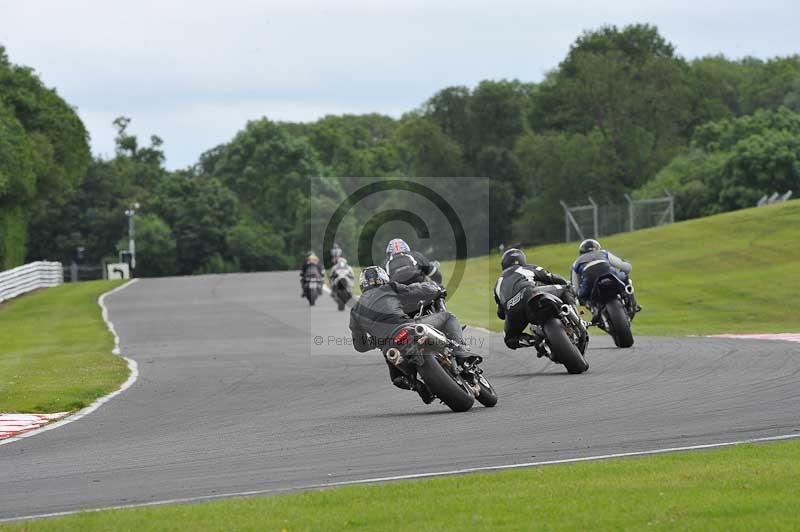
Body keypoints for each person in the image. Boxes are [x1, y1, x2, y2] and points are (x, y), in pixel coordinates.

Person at [349, 266, 468, 402]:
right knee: (448, 317)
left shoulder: (355, 310)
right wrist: (435, 288)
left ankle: (417, 386)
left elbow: (360, 345)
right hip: (407, 328)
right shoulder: (390, 287)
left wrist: (376, 341)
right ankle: (461, 350)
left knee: (397, 378)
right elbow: (417, 290)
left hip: (389, 346)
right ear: (383, 278)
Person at [493, 248, 578, 351]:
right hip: (531, 295)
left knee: (509, 339)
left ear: (504, 264)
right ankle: (577, 321)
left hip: (513, 311)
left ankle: (534, 340)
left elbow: (501, 314)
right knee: (566, 289)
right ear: (522, 260)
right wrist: (567, 283)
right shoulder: (526, 268)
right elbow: (550, 277)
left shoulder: (497, 284)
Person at [570, 239, 641, 314]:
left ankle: (592, 308)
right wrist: (624, 271)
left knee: (581, 296)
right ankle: (633, 304)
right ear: (598, 248)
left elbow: (575, 287)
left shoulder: (576, 262)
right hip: (610, 274)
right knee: (626, 278)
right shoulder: (603, 253)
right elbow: (625, 267)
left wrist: (579, 296)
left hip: (590, 281)